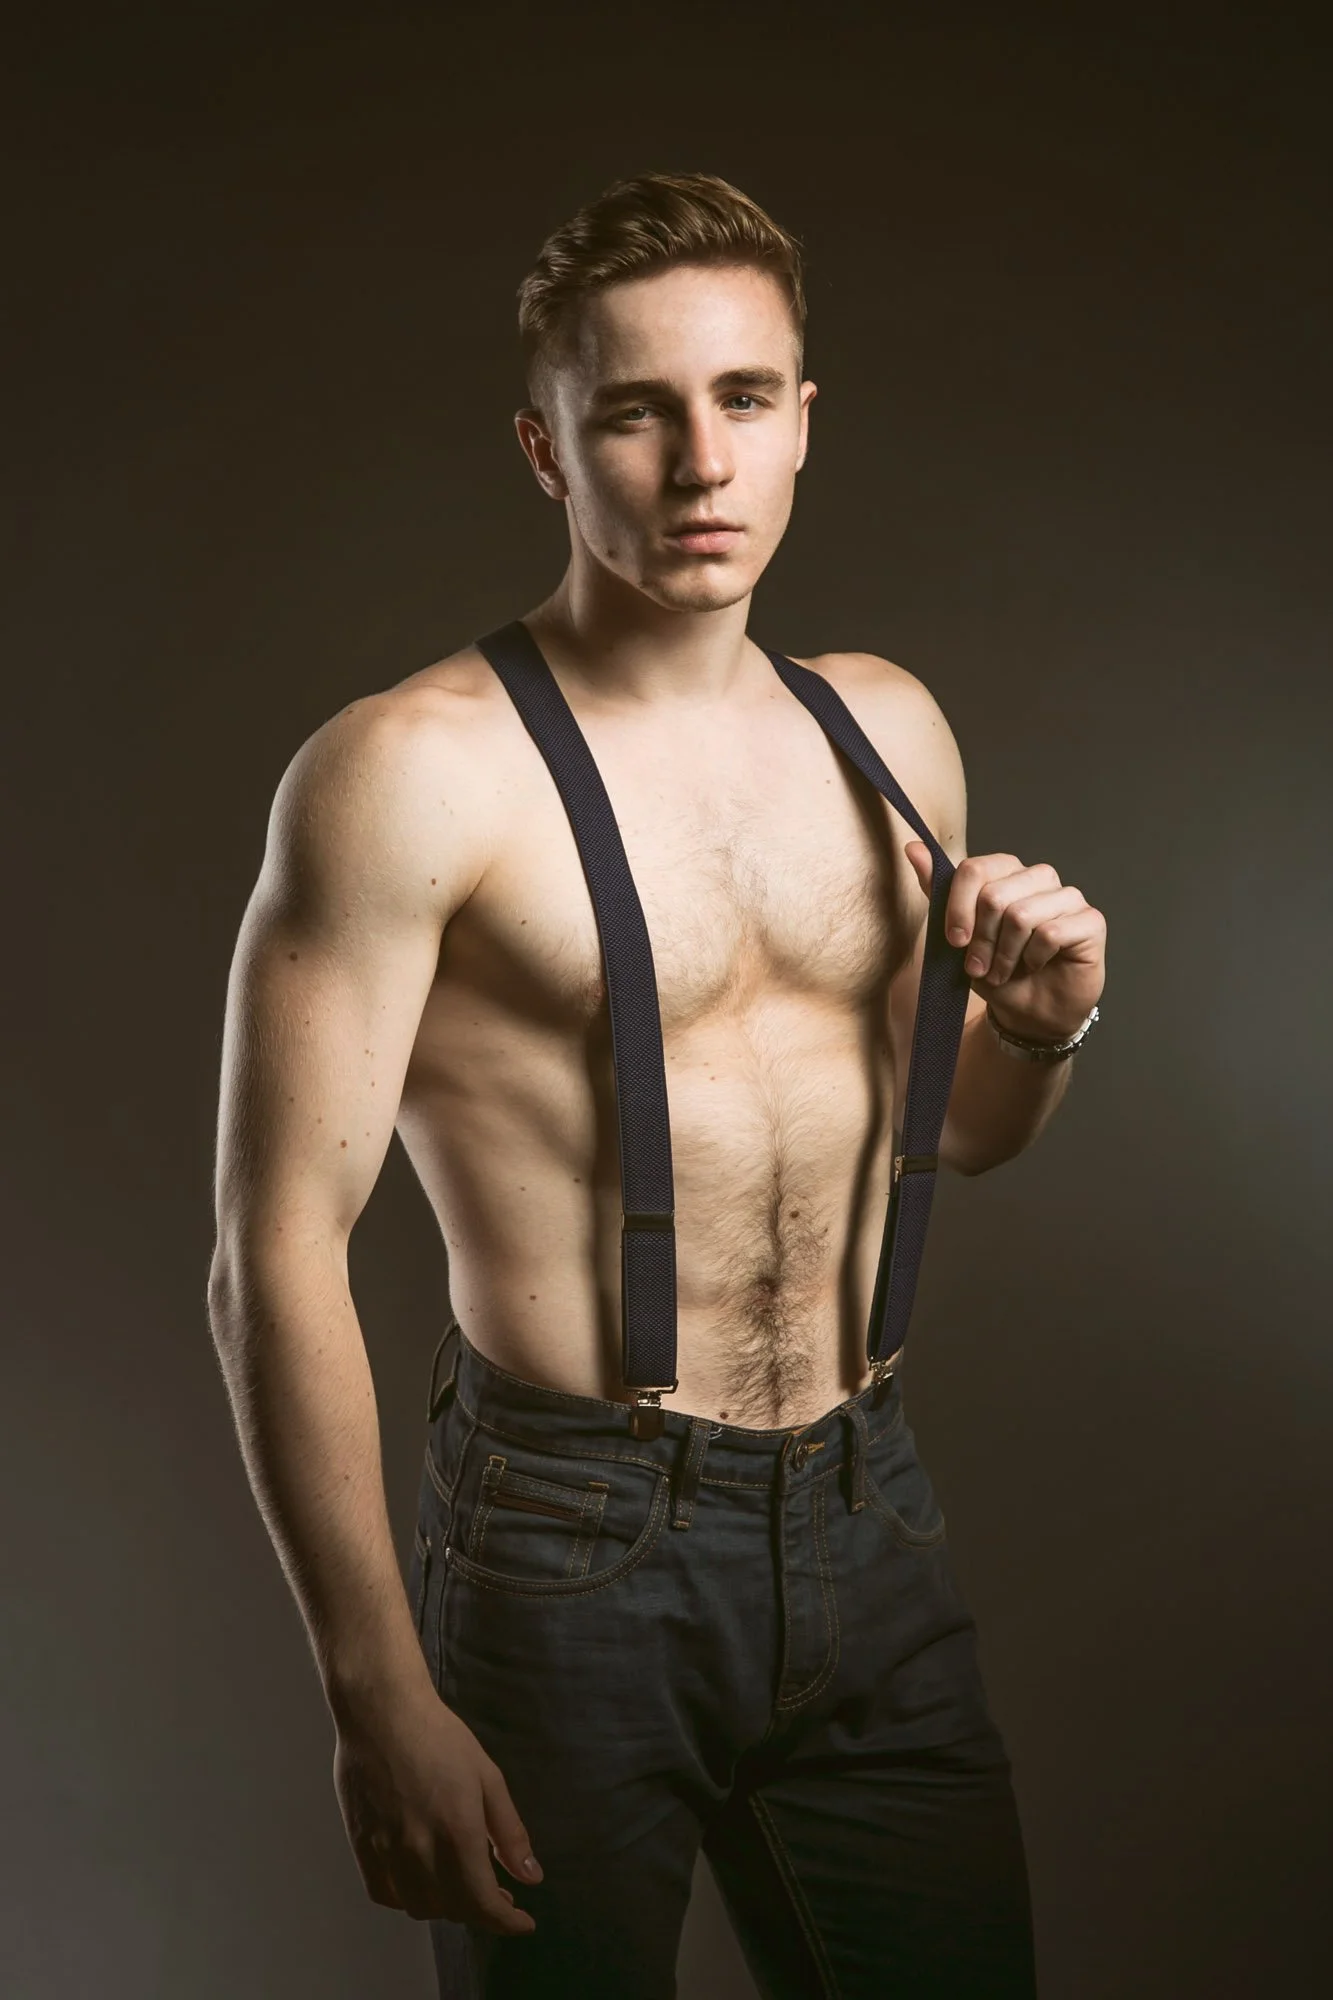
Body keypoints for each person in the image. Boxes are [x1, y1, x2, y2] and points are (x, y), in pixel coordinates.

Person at [208, 171, 1106, 1998]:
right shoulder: (408, 774)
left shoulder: (887, 732)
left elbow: (948, 1136)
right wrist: (376, 1689)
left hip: (867, 1510)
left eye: (744, 398)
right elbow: (273, 1250)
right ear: (546, 448)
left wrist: (1039, 1026)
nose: (702, 463)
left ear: (803, 422)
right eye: (635, 410)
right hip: (570, 1548)